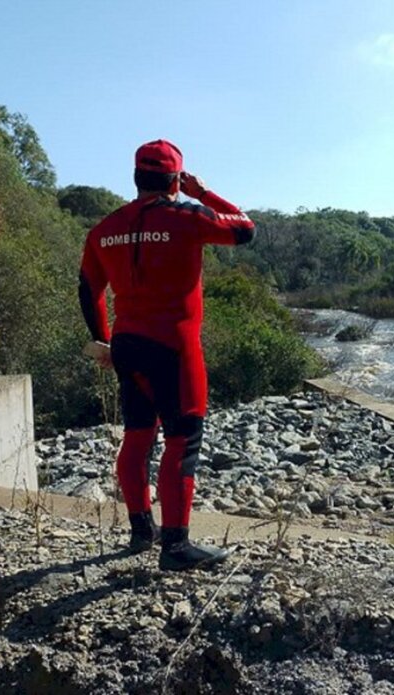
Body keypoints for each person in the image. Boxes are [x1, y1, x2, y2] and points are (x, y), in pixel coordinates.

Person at [78, 139, 255, 570]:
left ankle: (142, 530)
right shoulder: (187, 215)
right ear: (176, 178)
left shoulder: (105, 228)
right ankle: (175, 547)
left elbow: (89, 290)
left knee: (138, 436)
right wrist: (203, 192)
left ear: (136, 178)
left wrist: (101, 340)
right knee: (183, 440)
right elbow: (244, 229)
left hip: (127, 345)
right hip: (174, 347)